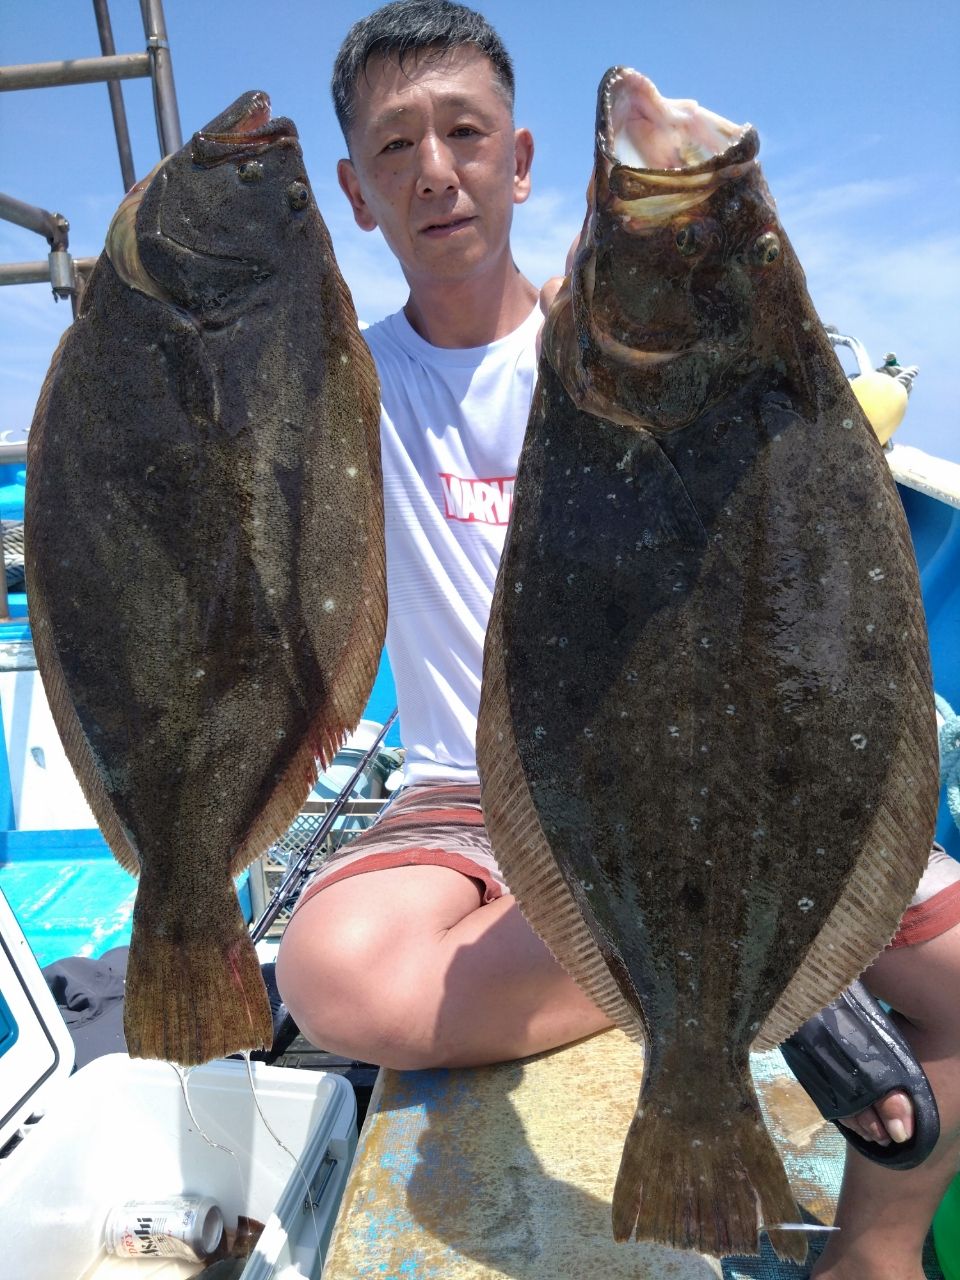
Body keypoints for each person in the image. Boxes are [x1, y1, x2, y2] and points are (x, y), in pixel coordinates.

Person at [275, 4, 960, 1277]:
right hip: (471, 794)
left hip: (725, 783)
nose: (437, 168)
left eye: (467, 132)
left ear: (522, 162)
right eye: (396, 145)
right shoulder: (343, 391)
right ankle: (748, 1001)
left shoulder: (602, 338)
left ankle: (873, 1250)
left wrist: (689, 237)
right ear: (355, 194)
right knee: (332, 978)